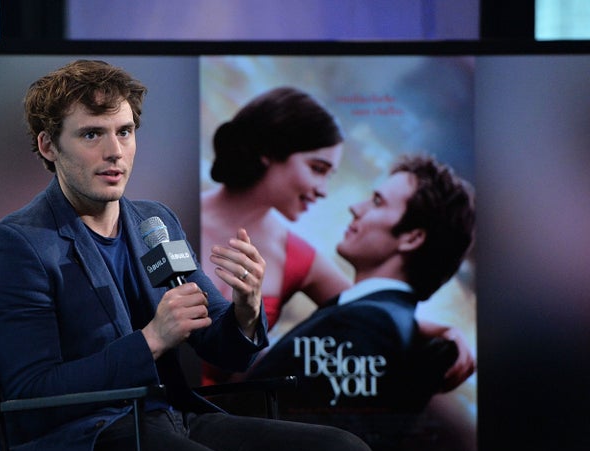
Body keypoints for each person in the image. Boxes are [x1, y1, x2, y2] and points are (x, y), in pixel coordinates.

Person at [0, 60, 375, 451]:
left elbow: (225, 348)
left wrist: (245, 307)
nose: (115, 151)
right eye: (91, 134)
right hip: (86, 440)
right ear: (49, 146)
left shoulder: (152, 222)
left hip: (169, 421)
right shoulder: (17, 245)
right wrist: (152, 340)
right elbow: (30, 395)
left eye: (124, 132)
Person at [201, 87, 473, 390]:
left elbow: (371, 310)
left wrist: (448, 333)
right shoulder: (166, 220)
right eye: (317, 169)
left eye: (330, 175)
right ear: (268, 151)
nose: (323, 190)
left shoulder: (299, 259)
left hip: (214, 424)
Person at [245, 153, 476, 451]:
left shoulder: (366, 324)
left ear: (411, 237)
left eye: (378, 202)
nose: (356, 208)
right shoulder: (371, 316)